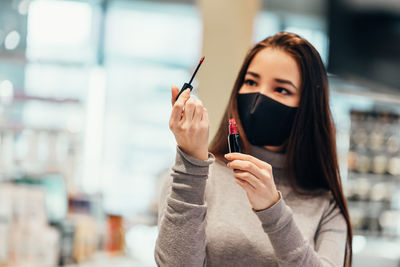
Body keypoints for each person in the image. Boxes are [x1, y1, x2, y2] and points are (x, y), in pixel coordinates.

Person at [155, 32, 352, 267]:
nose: (259, 96)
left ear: (308, 107)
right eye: (251, 82)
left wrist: (273, 209)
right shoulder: (194, 176)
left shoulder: (326, 205)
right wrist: (191, 163)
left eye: (281, 89)